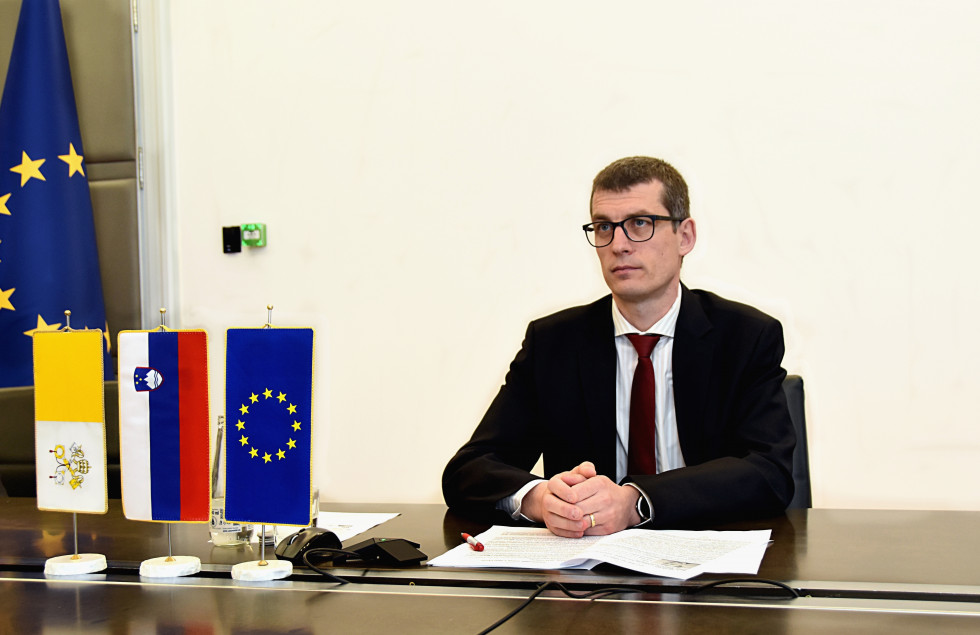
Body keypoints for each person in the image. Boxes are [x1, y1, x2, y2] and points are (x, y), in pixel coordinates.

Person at [442, 156, 795, 537]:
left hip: (707, 564)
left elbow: (769, 472)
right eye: (604, 227)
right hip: (589, 575)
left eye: (640, 223)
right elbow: (469, 469)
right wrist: (541, 498)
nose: (619, 245)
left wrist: (637, 501)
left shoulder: (745, 337)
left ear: (685, 236)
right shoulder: (554, 343)